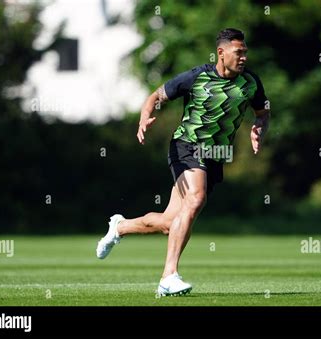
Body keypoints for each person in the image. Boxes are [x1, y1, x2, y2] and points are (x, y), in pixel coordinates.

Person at [96, 28, 270, 296]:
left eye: (245, 52)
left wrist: (259, 127)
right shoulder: (197, 77)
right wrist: (144, 117)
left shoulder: (251, 82)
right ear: (221, 53)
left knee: (170, 222)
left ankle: (120, 227)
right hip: (186, 147)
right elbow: (156, 96)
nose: (244, 57)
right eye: (239, 52)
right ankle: (169, 276)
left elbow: (263, 110)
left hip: (215, 156)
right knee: (196, 198)